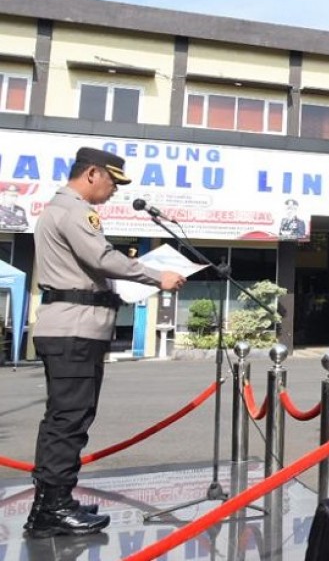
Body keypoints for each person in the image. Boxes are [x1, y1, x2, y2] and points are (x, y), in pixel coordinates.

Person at [26, 147, 187, 539]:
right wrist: (156, 277)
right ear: (93, 174)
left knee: (65, 419)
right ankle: (53, 509)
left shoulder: (60, 209)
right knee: (68, 421)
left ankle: (53, 502)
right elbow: (101, 257)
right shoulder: (76, 210)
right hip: (74, 330)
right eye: (113, 181)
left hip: (71, 327)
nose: (114, 190)